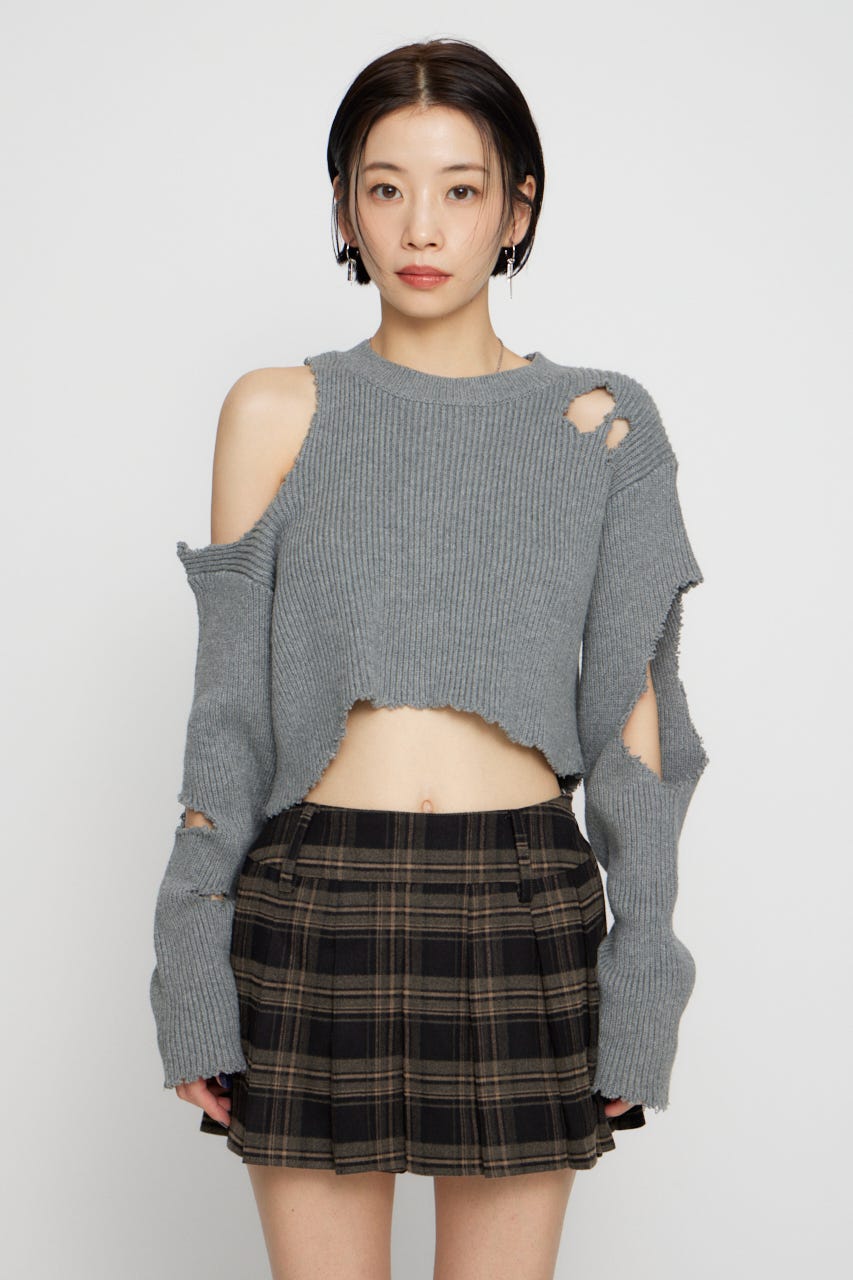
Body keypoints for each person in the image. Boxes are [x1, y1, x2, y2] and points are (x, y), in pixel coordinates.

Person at [149, 36, 708, 1280]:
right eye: (385, 185)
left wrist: (644, 979)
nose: (420, 225)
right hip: (309, 905)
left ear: (518, 209)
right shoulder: (273, 410)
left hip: (522, 907)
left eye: (461, 188)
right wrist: (188, 957)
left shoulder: (604, 424)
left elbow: (633, 727)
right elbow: (226, 718)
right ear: (344, 205)